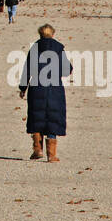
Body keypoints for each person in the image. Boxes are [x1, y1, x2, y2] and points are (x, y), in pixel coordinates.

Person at [18, 24, 71, 163]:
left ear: (40, 35)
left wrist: (23, 88)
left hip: (37, 86)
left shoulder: (35, 48)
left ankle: (37, 149)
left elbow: (27, 69)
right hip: (54, 87)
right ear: (52, 35)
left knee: (37, 115)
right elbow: (67, 70)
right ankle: (51, 155)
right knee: (53, 116)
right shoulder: (59, 48)